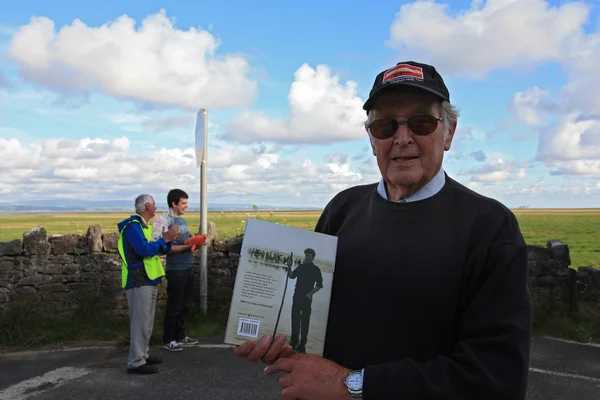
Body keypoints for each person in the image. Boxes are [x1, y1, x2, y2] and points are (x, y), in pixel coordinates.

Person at [233, 61, 533, 399]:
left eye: (421, 122)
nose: (402, 138)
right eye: (385, 126)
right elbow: (317, 329)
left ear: (448, 132)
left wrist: (351, 385)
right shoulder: (342, 209)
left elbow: (496, 377)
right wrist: (282, 341)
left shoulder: (490, 227)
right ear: (372, 139)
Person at [117, 194, 180, 374]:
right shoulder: (132, 227)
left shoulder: (143, 227)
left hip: (148, 278)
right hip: (138, 279)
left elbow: (154, 246)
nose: (156, 207)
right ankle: (136, 361)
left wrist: (166, 240)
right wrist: (165, 238)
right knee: (140, 322)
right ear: (147, 206)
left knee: (147, 321)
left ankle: (142, 354)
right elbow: (144, 250)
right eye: (153, 204)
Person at [157, 189, 206, 351]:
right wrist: (188, 247)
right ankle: (168, 339)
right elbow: (166, 248)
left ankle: (180, 336)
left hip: (187, 267)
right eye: (183, 203)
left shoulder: (182, 222)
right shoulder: (165, 221)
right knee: (174, 306)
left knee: (185, 304)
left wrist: (196, 242)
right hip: (176, 269)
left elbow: (185, 241)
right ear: (174, 204)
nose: (186, 206)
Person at [286, 248, 323, 353]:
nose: (307, 257)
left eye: (310, 256)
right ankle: (293, 342)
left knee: (305, 321)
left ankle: (302, 343)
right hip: (296, 297)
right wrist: (289, 266)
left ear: (313, 258)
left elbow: (319, 285)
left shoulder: (316, 269)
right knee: (295, 319)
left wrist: (310, 294)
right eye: (306, 255)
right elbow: (292, 276)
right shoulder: (301, 267)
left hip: (307, 299)